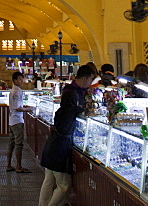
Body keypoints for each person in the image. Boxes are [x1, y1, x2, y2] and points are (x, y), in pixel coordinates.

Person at [39, 65, 96, 206]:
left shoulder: (61, 111)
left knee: (48, 181)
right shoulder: (70, 109)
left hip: (50, 148)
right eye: (91, 79)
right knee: (64, 186)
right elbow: (75, 114)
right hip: (59, 151)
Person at [5, 71, 33, 173]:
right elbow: (18, 108)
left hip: (11, 120)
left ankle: (8, 165)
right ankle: (19, 166)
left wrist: (24, 107)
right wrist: (28, 109)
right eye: (20, 79)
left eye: (22, 79)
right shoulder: (18, 91)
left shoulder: (12, 91)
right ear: (15, 80)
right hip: (17, 121)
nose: (22, 81)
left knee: (11, 144)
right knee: (18, 144)